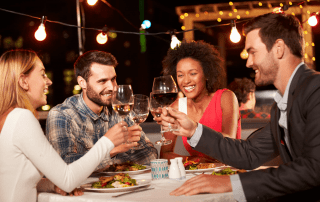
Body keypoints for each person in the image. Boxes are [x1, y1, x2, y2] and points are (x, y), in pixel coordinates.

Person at [161, 13, 320, 201]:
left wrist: (232, 182)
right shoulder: (282, 104)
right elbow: (249, 153)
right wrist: (194, 130)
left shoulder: (316, 89)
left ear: (278, 48)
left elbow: (314, 168)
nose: (248, 62)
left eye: (253, 52)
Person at [0, 49, 134, 202]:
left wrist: (51, 185)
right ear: (24, 81)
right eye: (43, 74)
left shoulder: (9, 118)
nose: (48, 81)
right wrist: (107, 142)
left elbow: (14, 181)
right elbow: (68, 180)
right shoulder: (21, 118)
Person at [46, 50, 158, 172]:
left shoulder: (119, 110)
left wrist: (111, 162)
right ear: (82, 82)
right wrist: (112, 151)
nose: (111, 87)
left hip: (119, 186)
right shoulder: (62, 115)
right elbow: (63, 166)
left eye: (113, 79)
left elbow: (150, 153)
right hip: (82, 190)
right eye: (102, 81)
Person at [159, 40, 241, 163]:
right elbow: (164, 154)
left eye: (192, 73)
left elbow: (229, 145)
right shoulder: (177, 107)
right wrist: (192, 160)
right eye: (180, 75)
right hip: (198, 175)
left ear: (207, 74)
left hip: (229, 171)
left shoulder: (226, 97)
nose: (186, 81)